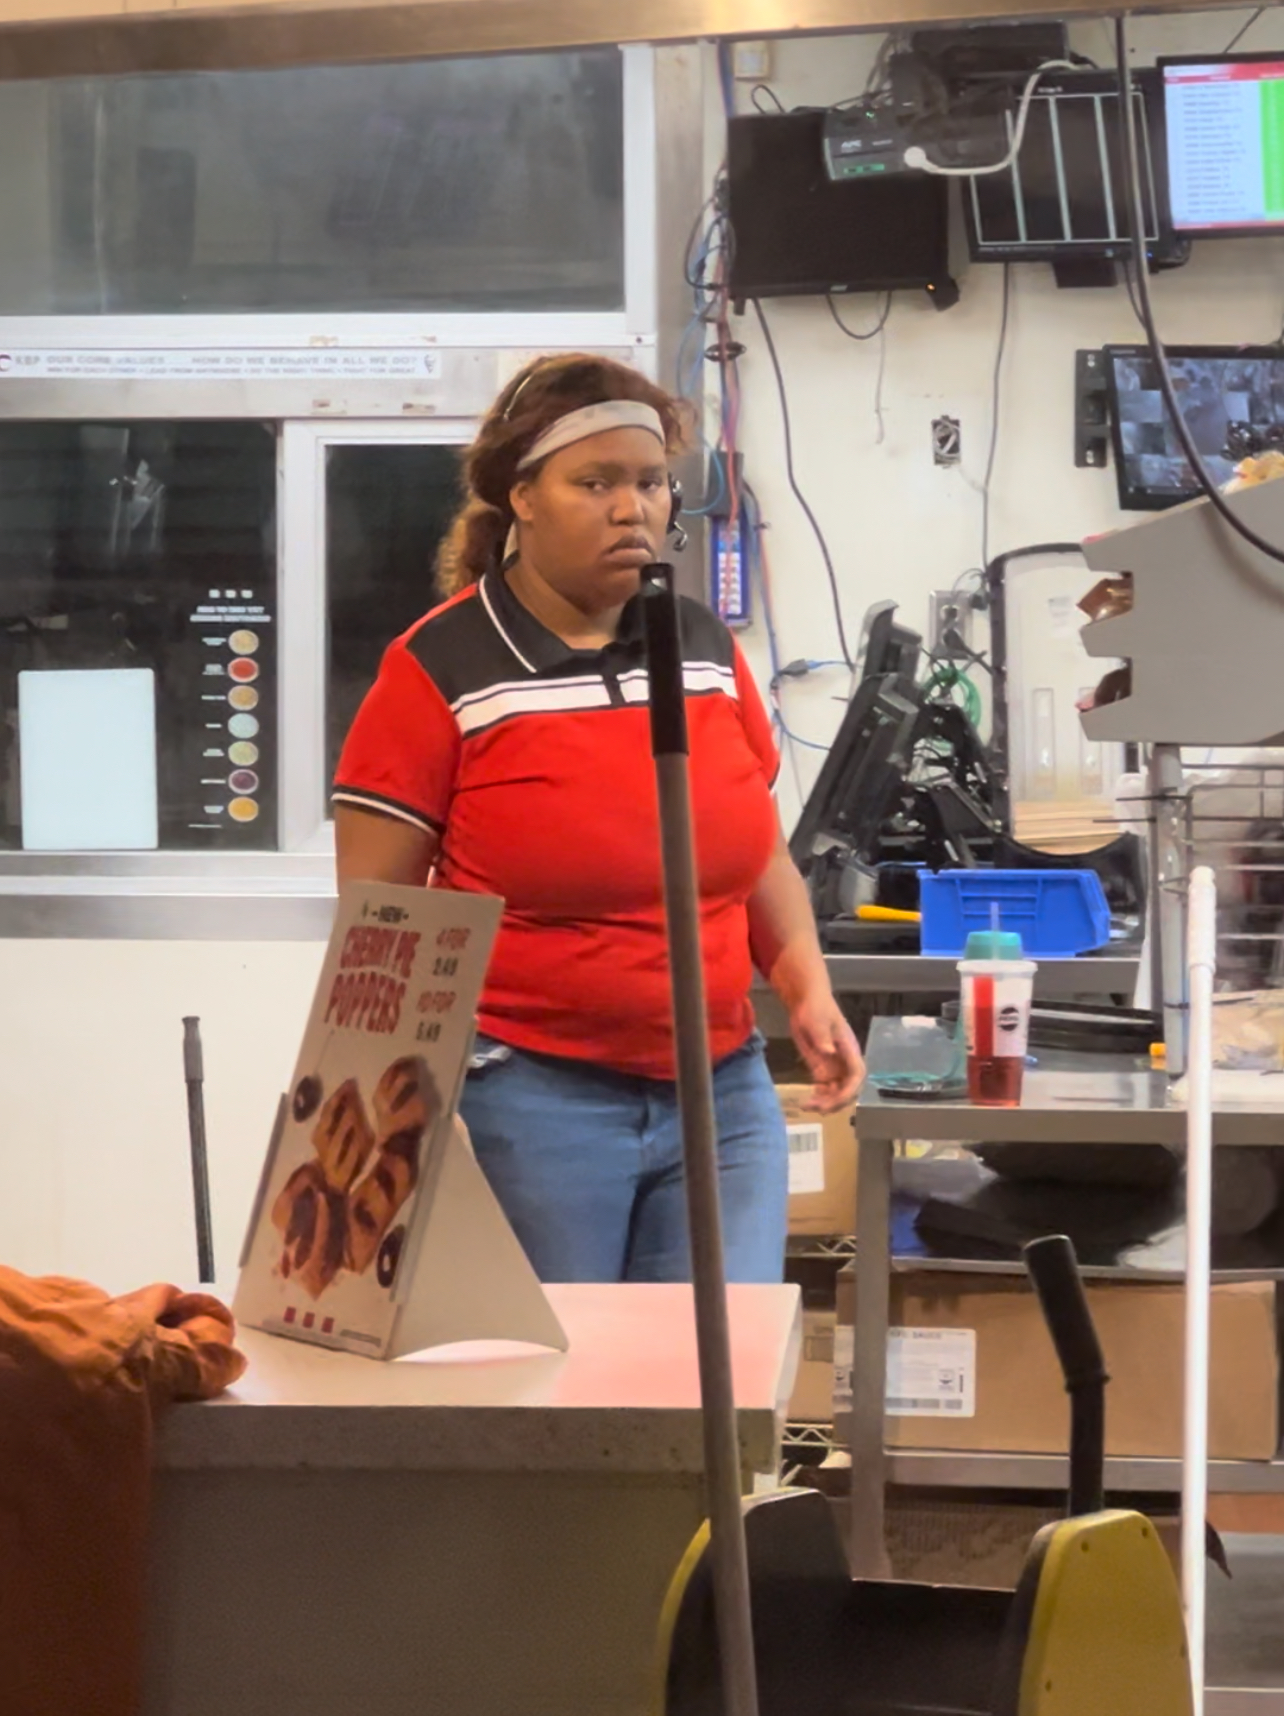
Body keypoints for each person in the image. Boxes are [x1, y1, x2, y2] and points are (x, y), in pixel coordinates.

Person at [332, 353, 864, 1283]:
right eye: (596, 483)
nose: (633, 510)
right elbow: (380, 924)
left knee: (720, 1360)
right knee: (567, 1369)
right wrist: (407, 1109)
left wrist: (807, 987)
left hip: (724, 1093)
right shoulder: (442, 668)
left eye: (651, 483)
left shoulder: (700, 647)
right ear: (522, 498)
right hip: (529, 1100)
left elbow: (759, 856)